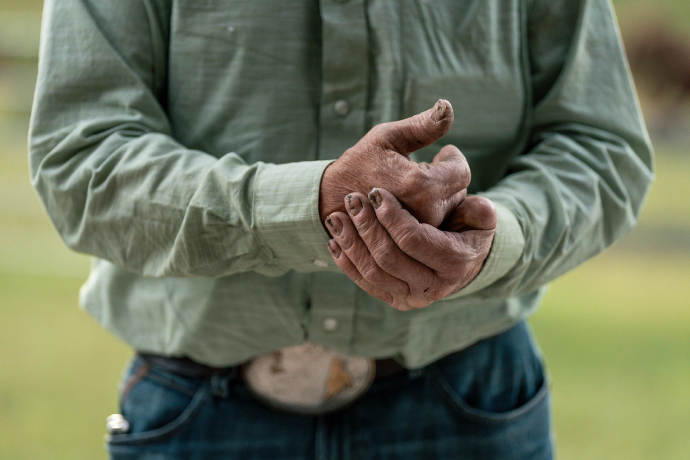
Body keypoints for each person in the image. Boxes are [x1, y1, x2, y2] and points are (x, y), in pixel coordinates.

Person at [29, 0, 653, 458]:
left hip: (469, 401)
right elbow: (82, 161)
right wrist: (312, 201)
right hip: (198, 412)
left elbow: (599, 145)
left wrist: (498, 239)